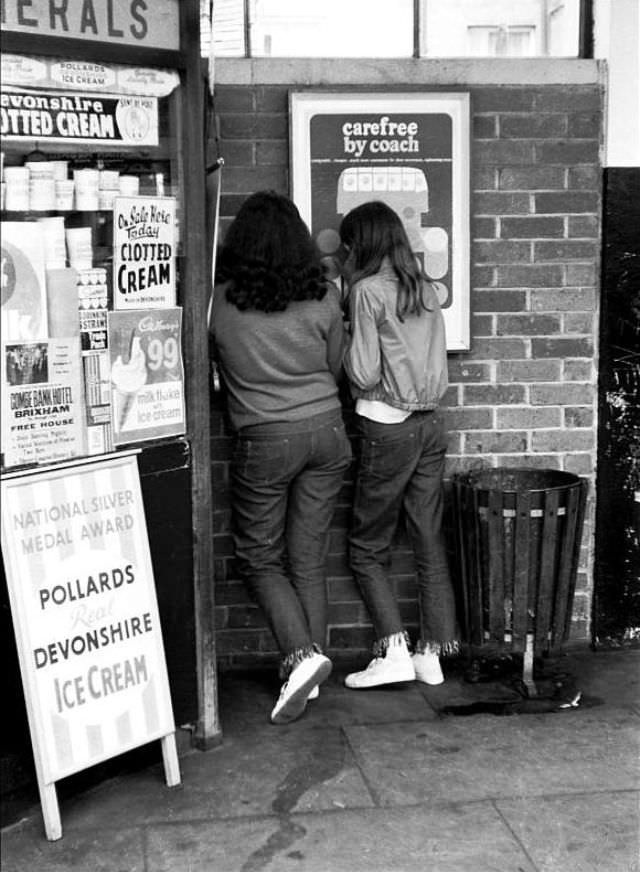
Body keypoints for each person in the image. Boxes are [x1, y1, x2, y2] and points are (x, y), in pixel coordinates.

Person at [210, 191, 352, 724]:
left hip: (265, 440)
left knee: (259, 558)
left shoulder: (220, 302)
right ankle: (308, 677)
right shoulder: (324, 295)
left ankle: (301, 656)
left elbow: (212, 370)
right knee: (307, 558)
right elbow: (337, 366)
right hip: (327, 433)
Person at [339, 200, 459, 690]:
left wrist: (346, 338)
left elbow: (364, 372)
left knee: (367, 547)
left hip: (386, 426)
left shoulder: (366, 291)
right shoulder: (426, 290)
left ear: (361, 244)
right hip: (430, 425)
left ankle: (393, 651)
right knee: (427, 538)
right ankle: (432, 651)